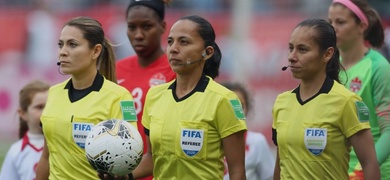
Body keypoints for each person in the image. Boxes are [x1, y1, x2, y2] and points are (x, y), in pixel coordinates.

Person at [100, 15, 247, 180]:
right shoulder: (155, 95)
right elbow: (152, 158)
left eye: (184, 42)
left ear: (207, 52)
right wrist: (126, 176)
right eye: (170, 42)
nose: (173, 48)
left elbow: (237, 171)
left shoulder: (224, 99)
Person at [272, 18, 380, 179]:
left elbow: (369, 162)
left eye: (302, 50)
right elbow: (281, 163)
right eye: (291, 48)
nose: (292, 57)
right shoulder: (281, 102)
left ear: (327, 54)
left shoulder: (347, 102)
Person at [35, 16, 137, 180]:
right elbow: (46, 157)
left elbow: (128, 158)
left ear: (96, 51)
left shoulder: (121, 97)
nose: (63, 51)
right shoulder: (53, 93)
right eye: (60, 44)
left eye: (72, 44)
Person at [328, 0, 390, 179]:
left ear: (361, 26)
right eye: (330, 22)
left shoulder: (378, 67)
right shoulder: (327, 68)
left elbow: (388, 131)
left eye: (340, 22)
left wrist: (362, 172)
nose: (333, 28)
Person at [116, 1, 176, 179]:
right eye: (132, 27)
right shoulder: (115, 69)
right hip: (120, 172)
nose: (138, 35)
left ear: (163, 26)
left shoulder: (176, 72)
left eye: (147, 26)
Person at [221, 82, 274, 180]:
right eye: (229, 106)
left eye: (240, 106)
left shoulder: (257, 142)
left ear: (247, 109)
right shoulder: (208, 141)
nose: (235, 111)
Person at [0, 80, 49, 180]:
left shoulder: (62, 144)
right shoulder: (16, 151)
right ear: (23, 113)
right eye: (39, 107)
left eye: (49, 106)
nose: (46, 112)